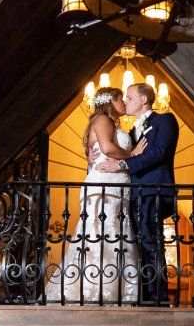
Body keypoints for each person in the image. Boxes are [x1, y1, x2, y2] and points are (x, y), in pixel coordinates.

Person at [64, 86, 139, 304]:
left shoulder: (109, 123)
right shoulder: (103, 119)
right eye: (121, 99)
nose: (124, 103)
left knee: (116, 233)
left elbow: (94, 155)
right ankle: (98, 291)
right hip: (106, 185)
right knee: (103, 234)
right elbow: (106, 148)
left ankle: (116, 290)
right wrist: (133, 156)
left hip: (116, 186)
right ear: (110, 102)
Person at [119, 82, 178, 305]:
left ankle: (158, 297)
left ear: (144, 99)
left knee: (151, 242)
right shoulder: (130, 131)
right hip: (133, 194)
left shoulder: (164, 120)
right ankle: (142, 293)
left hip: (153, 190)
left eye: (129, 97)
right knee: (137, 245)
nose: (125, 101)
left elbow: (159, 152)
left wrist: (125, 164)